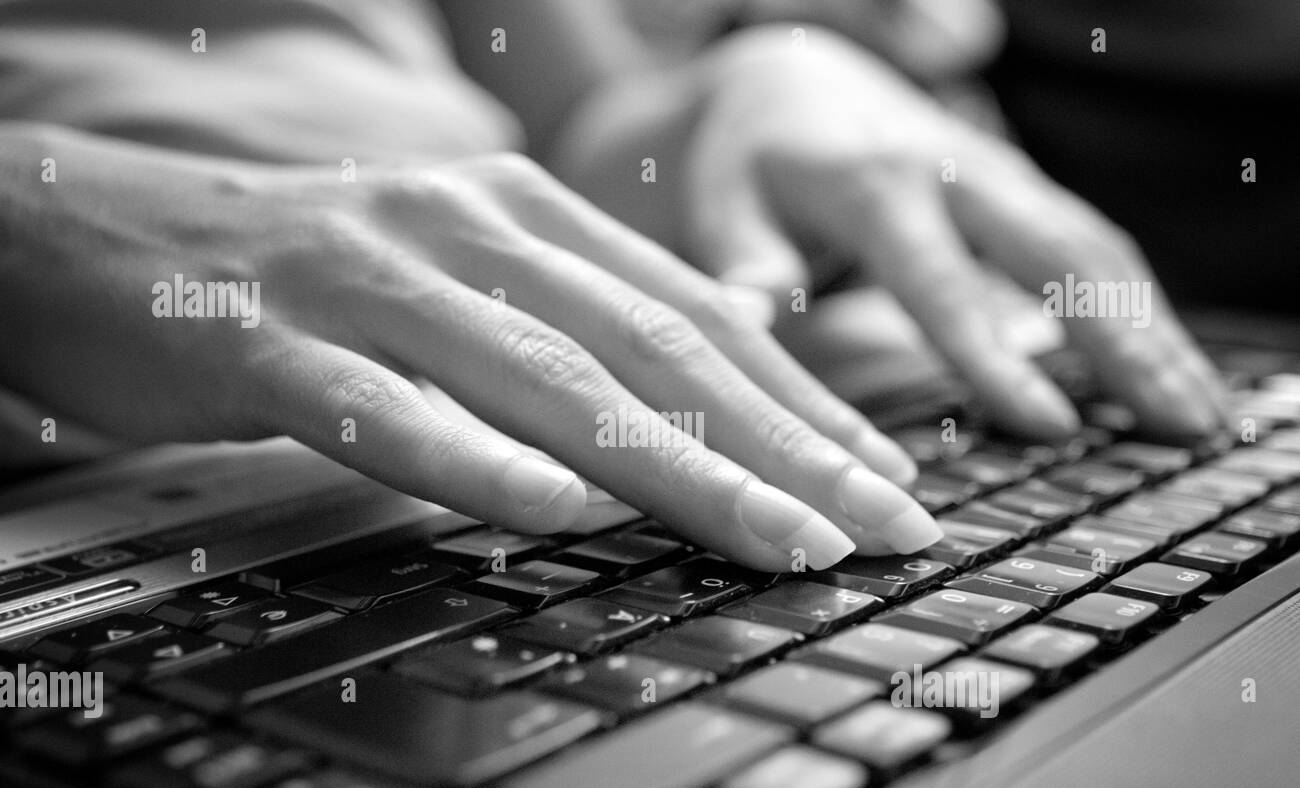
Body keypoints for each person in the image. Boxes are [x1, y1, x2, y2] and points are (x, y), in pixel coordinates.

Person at [0, 0, 1227, 571]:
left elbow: (583, 121)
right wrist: (30, 216)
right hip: (88, 479)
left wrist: (753, 83)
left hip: (520, 389)